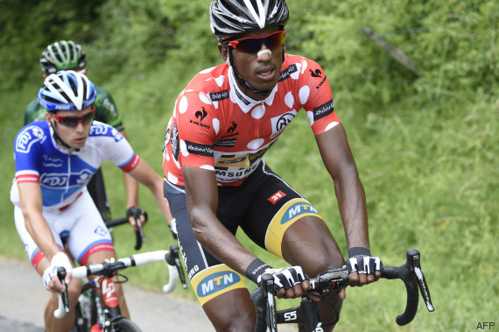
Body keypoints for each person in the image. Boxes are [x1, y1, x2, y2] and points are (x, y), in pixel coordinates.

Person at [162, 0, 382, 331]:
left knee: (329, 273)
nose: (264, 53)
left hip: (252, 184)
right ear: (226, 50)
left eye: (273, 40)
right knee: (239, 323)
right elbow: (202, 217)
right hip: (197, 202)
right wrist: (261, 271)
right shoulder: (201, 103)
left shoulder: (306, 76)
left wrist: (360, 249)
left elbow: (344, 170)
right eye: (250, 44)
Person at [11, 70, 172, 332]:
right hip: (39, 216)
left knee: (110, 276)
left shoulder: (104, 136)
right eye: (70, 121)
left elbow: (155, 182)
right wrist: (56, 256)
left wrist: (179, 229)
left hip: (78, 207)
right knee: (69, 288)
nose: (81, 128)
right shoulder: (31, 141)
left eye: (87, 117)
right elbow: (31, 210)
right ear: (51, 118)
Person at [24, 40, 138, 221]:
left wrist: (132, 205)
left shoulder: (99, 99)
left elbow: (127, 154)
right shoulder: (34, 112)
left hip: (88, 170)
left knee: (101, 227)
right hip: (51, 179)